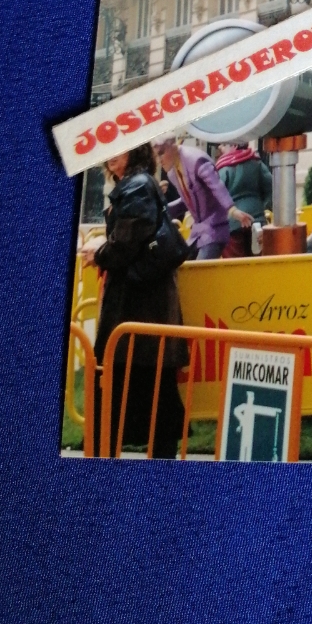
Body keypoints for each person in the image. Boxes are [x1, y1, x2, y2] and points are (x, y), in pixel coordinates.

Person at [93, 144, 189, 458]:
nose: (112, 154)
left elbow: (126, 242)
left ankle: (111, 463)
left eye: (120, 148)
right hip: (145, 307)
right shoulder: (137, 183)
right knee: (152, 391)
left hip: (141, 307)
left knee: (133, 389)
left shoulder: (136, 186)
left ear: (135, 152)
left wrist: (98, 254)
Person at [155, 136, 246, 259]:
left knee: (200, 267)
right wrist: (160, 210)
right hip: (197, 232)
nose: (159, 161)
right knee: (182, 265)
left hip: (214, 229)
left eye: (161, 153)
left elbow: (216, 186)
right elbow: (187, 200)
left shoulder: (195, 160)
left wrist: (231, 209)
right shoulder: (172, 172)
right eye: (156, 156)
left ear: (173, 146)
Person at [215, 142, 273, 257]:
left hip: (232, 225)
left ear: (234, 145)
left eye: (224, 144)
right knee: (259, 261)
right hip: (257, 220)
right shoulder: (256, 162)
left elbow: (216, 197)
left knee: (235, 264)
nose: (220, 147)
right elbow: (271, 188)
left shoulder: (222, 168)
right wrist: (263, 206)